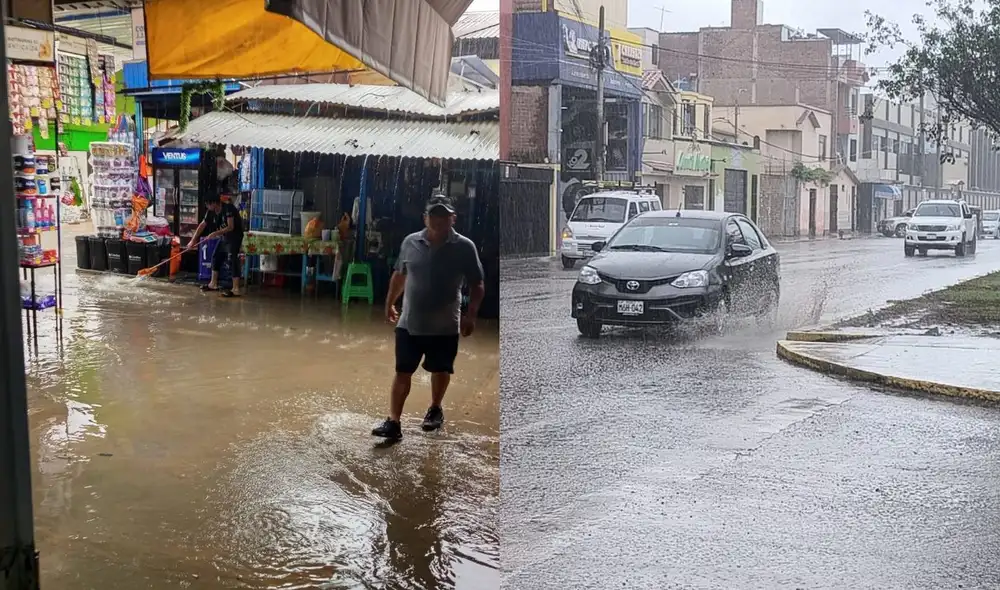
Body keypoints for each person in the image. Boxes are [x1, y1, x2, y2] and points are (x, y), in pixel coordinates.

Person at [372, 194, 485, 440]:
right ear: (425, 217)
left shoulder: (465, 247)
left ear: (452, 218)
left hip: (445, 325)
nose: (438, 220)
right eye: (433, 215)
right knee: (402, 370)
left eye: (443, 216)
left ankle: (435, 409)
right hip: (409, 322)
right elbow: (399, 275)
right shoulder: (409, 242)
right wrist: (389, 303)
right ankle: (394, 422)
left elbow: (477, 284)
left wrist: (471, 315)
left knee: (440, 369)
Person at [188, 194, 245, 297]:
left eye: (207, 204)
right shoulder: (211, 211)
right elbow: (202, 224)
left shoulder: (228, 208)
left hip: (234, 236)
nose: (207, 207)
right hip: (224, 236)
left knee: (232, 259)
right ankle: (213, 284)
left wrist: (215, 234)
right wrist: (193, 240)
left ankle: (236, 289)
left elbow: (230, 227)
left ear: (214, 203)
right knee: (216, 256)